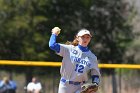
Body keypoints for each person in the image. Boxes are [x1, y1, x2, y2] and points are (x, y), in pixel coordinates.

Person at [49, 27, 101, 93]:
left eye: (88, 37)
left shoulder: (92, 57)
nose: (85, 39)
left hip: (80, 87)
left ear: (90, 39)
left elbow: (95, 75)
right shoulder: (69, 49)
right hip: (65, 85)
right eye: (83, 37)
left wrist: (95, 84)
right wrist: (54, 34)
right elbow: (52, 45)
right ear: (77, 38)